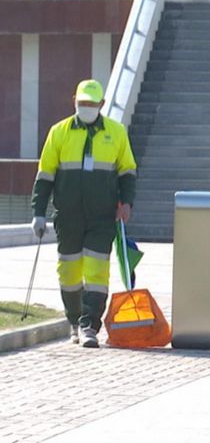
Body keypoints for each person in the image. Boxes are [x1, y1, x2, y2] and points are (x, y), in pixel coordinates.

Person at [31, 79, 137, 348]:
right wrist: (38, 212)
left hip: (102, 216)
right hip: (68, 216)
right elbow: (45, 175)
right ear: (74, 102)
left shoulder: (116, 132)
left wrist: (126, 202)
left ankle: (90, 325)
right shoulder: (59, 132)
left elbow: (127, 171)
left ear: (102, 104)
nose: (87, 107)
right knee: (68, 272)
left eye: (91, 104)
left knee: (97, 270)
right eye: (82, 103)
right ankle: (74, 321)